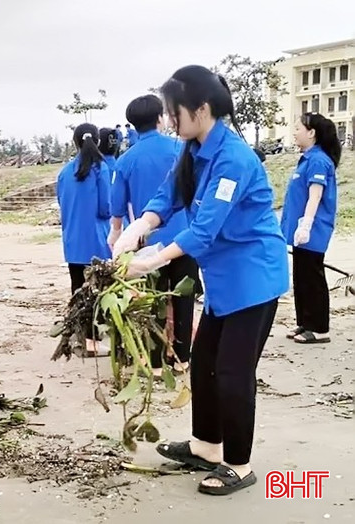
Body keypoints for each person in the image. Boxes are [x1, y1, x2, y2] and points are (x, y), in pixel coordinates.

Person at [112, 65, 288, 496]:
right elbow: (169, 195)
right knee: (204, 365)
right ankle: (206, 446)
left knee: (232, 372)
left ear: (202, 108)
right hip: (223, 279)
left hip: (253, 278)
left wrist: (151, 261)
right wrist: (142, 226)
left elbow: (205, 228)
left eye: (175, 111)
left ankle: (239, 464)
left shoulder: (234, 159)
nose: (170, 120)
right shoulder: (192, 148)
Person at [109, 94, 198, 374]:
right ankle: (182, 359)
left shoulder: (125, 160)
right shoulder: (181, 149)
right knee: (183, 299)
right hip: (184, 238)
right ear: (160, 118)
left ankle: (156, 361)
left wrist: (117, 234)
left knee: (154, 302)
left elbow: (117, 206)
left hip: (146, 242)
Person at [281, 112, 340, 344]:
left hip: (312, 230)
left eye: (298, 128)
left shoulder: (318, 160)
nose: (295, 133)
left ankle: (320, 328)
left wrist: (306, 225)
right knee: (301, 276)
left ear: (311, 133)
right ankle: (305, 322)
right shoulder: (307, 158)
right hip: (299, 231)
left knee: (312, 277)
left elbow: (315, 196)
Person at [56, 123, 112, 356]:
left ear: (75, 142)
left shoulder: (64, 172)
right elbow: (105, 208)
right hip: (96, 239)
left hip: (72, 239)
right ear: (97, 141)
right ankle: (92, 340)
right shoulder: (101, 169)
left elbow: (62, 203)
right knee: (97, 291)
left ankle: (80, 336)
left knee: (77, 288)